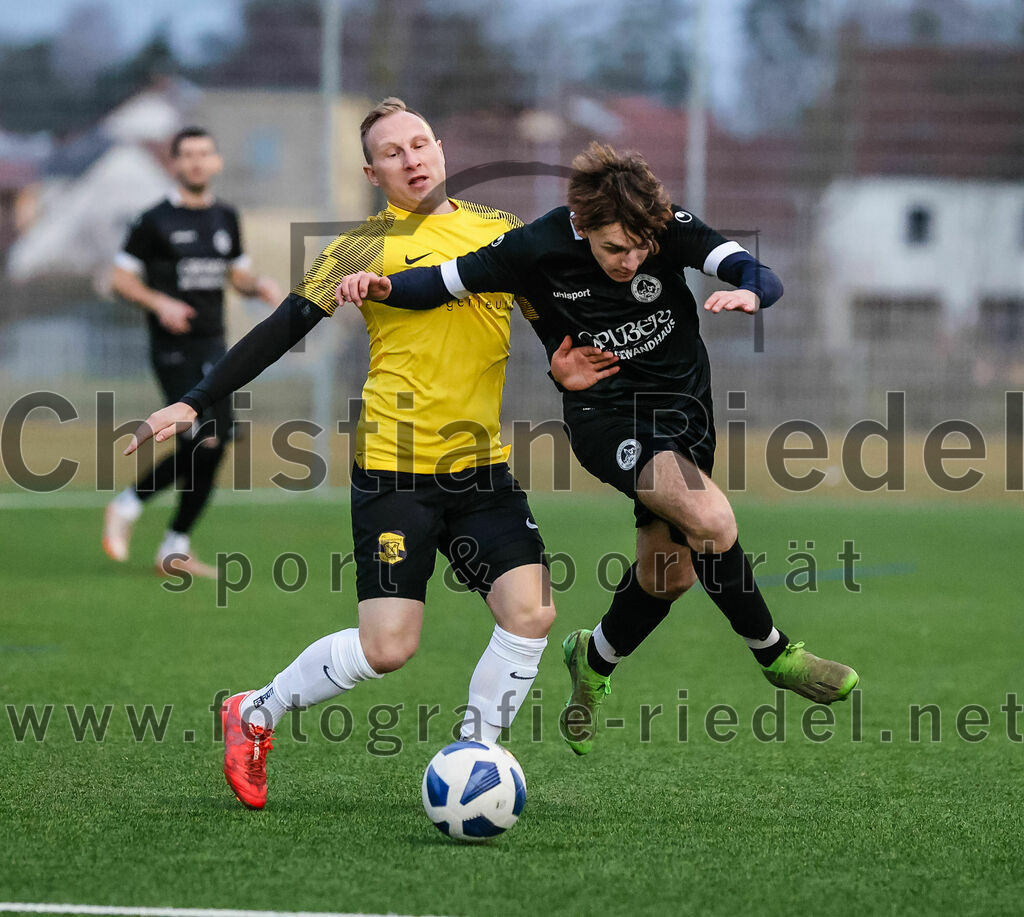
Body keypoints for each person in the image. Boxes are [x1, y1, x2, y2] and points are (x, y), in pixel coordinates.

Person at [337, 141, 860, 756]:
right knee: (711, 516)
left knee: (668, 576)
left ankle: (594, 659)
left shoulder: (664, 226)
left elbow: (753, 270)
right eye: (615, 248)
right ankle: (777, 657)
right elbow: (443, 282)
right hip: (606, 418)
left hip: (686, 417)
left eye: (642, 248)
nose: (632, 260)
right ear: (582, 226)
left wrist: (750, 293)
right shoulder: (537, 245)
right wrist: (380, 285)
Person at [126, 98, 570, 811]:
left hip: (480, 466)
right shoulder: (359, 247)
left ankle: (472, 755)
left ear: (441, 148)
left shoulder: (498, 231)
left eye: (421, 142)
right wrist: (196, 399)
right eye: (393, 152)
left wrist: (572, 365)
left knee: (531, 613)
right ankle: (255, 711)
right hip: (395, 468)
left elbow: (553, 321)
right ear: (372, 172)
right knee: (388, 648)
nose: (412, 157)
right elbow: (280, 328)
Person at [105, 126, 282, 578]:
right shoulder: (154, 220)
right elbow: (120, 279)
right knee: (201, 436)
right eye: (188, 155)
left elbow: (236, 274)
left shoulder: (225, 217)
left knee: (213, 443)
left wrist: (257, 285)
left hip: (214, 345)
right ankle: (132, 507)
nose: (197, 162)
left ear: (216, 162)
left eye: (205, 153)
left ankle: (172, 543)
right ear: (175, 164)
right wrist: (159, 302)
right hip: (173, 349)